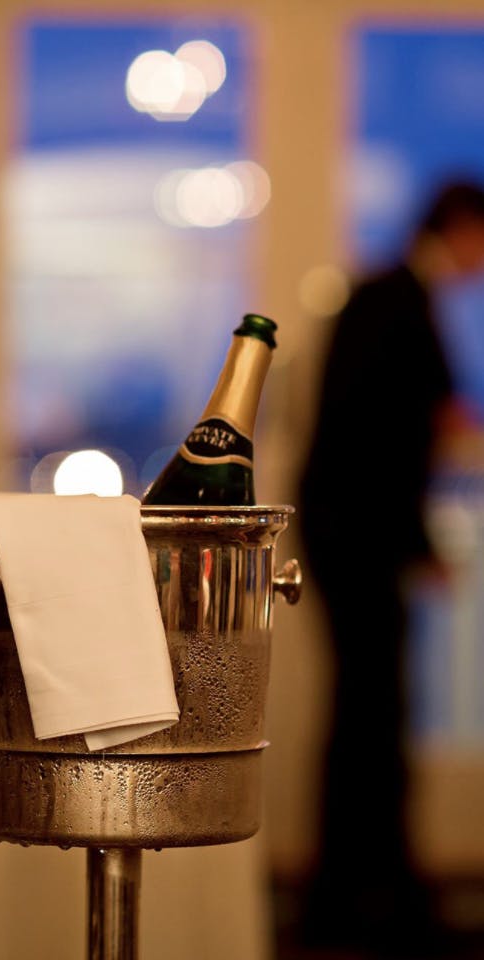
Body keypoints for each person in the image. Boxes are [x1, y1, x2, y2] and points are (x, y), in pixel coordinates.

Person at [298, 180, 484, 957]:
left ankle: (362, 889)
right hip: (361, 542)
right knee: (372, 715)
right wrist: (417, 542)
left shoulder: (390, 296)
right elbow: (381, 444)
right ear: (461, 228)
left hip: (354, 537)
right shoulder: (395, 300)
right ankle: (369, 896)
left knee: (368, 712)